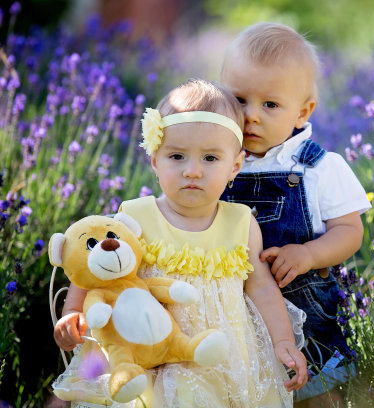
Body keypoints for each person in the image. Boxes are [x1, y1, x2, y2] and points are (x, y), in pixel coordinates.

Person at [53, 78, 308, 407]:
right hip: (146, 358)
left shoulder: (241, 222)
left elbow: (260, 287)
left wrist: (283, 340)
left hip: (220, 360)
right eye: (177, 156)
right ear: (155, 160)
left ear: (235, 166)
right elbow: (95, 269)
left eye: (210, 159)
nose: (192, 171)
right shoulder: (134, 217)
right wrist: (73, 312)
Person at [220, 23, 371, 407]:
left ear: (302, 112)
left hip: (303, 311)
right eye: (239, 99)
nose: (251, 115)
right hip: (231, 310)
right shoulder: (216, 161)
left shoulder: (319, 167)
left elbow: (350, 232)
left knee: (313, 393)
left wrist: (308, 255)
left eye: (269, 104)